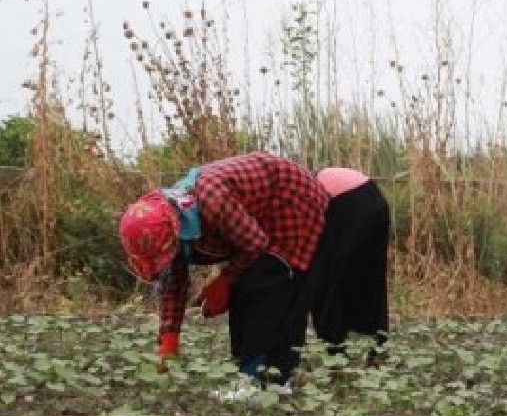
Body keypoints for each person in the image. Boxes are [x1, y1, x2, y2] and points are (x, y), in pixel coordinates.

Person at [119, 151, 330, 401]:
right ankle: (265, 378)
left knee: (267, 280)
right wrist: (169, 342)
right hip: (259, 214)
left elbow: (255, 244)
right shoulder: (172, 222)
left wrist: (225, 282)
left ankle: (263, 381)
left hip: (293, 196)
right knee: (249, 282)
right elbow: (173, 283)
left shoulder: (212, 202)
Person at [309, 167, 392, 363]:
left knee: (324, 279)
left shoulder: (299, 190)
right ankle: (378, 345)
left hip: (347, 201)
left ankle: (334, 349)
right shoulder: (308, 180)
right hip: (375, 199)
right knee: (370, 277)